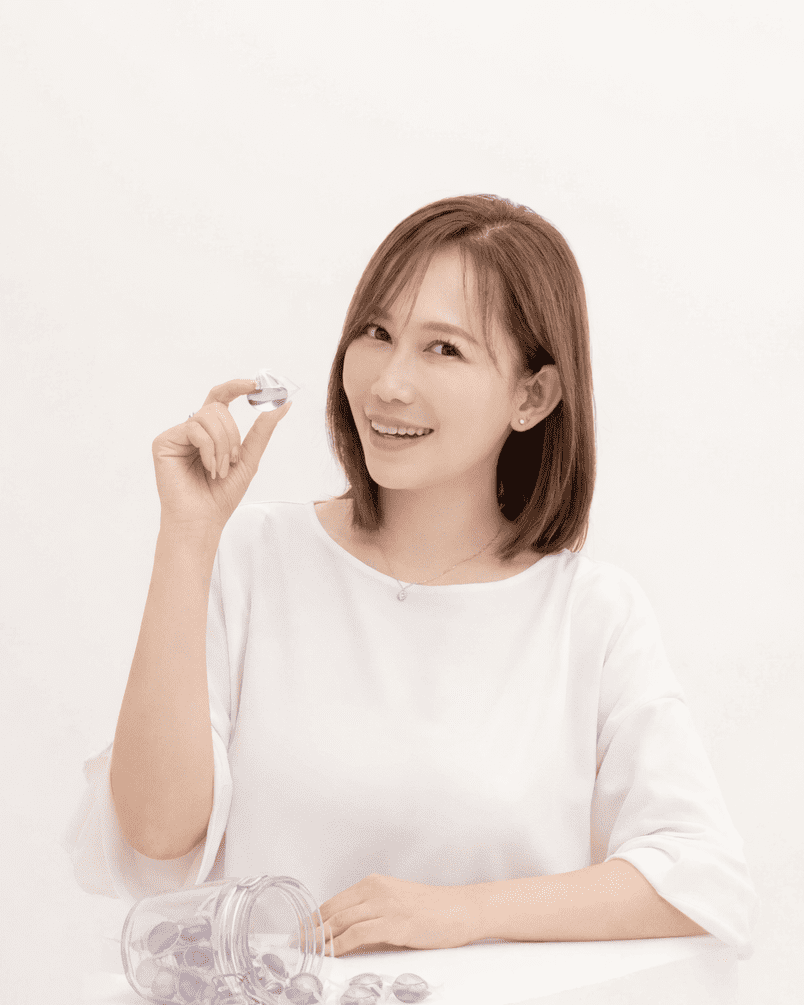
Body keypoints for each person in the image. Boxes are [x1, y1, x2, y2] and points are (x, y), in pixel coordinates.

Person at [63, 194, 758, 958]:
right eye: (376, 333)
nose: (388, 383)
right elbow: (157, 832)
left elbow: (700, 874)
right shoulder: (253, 557)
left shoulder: (588, 614)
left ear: (532, 396)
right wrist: (188, 536)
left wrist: (460, 912)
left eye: (443, 349)